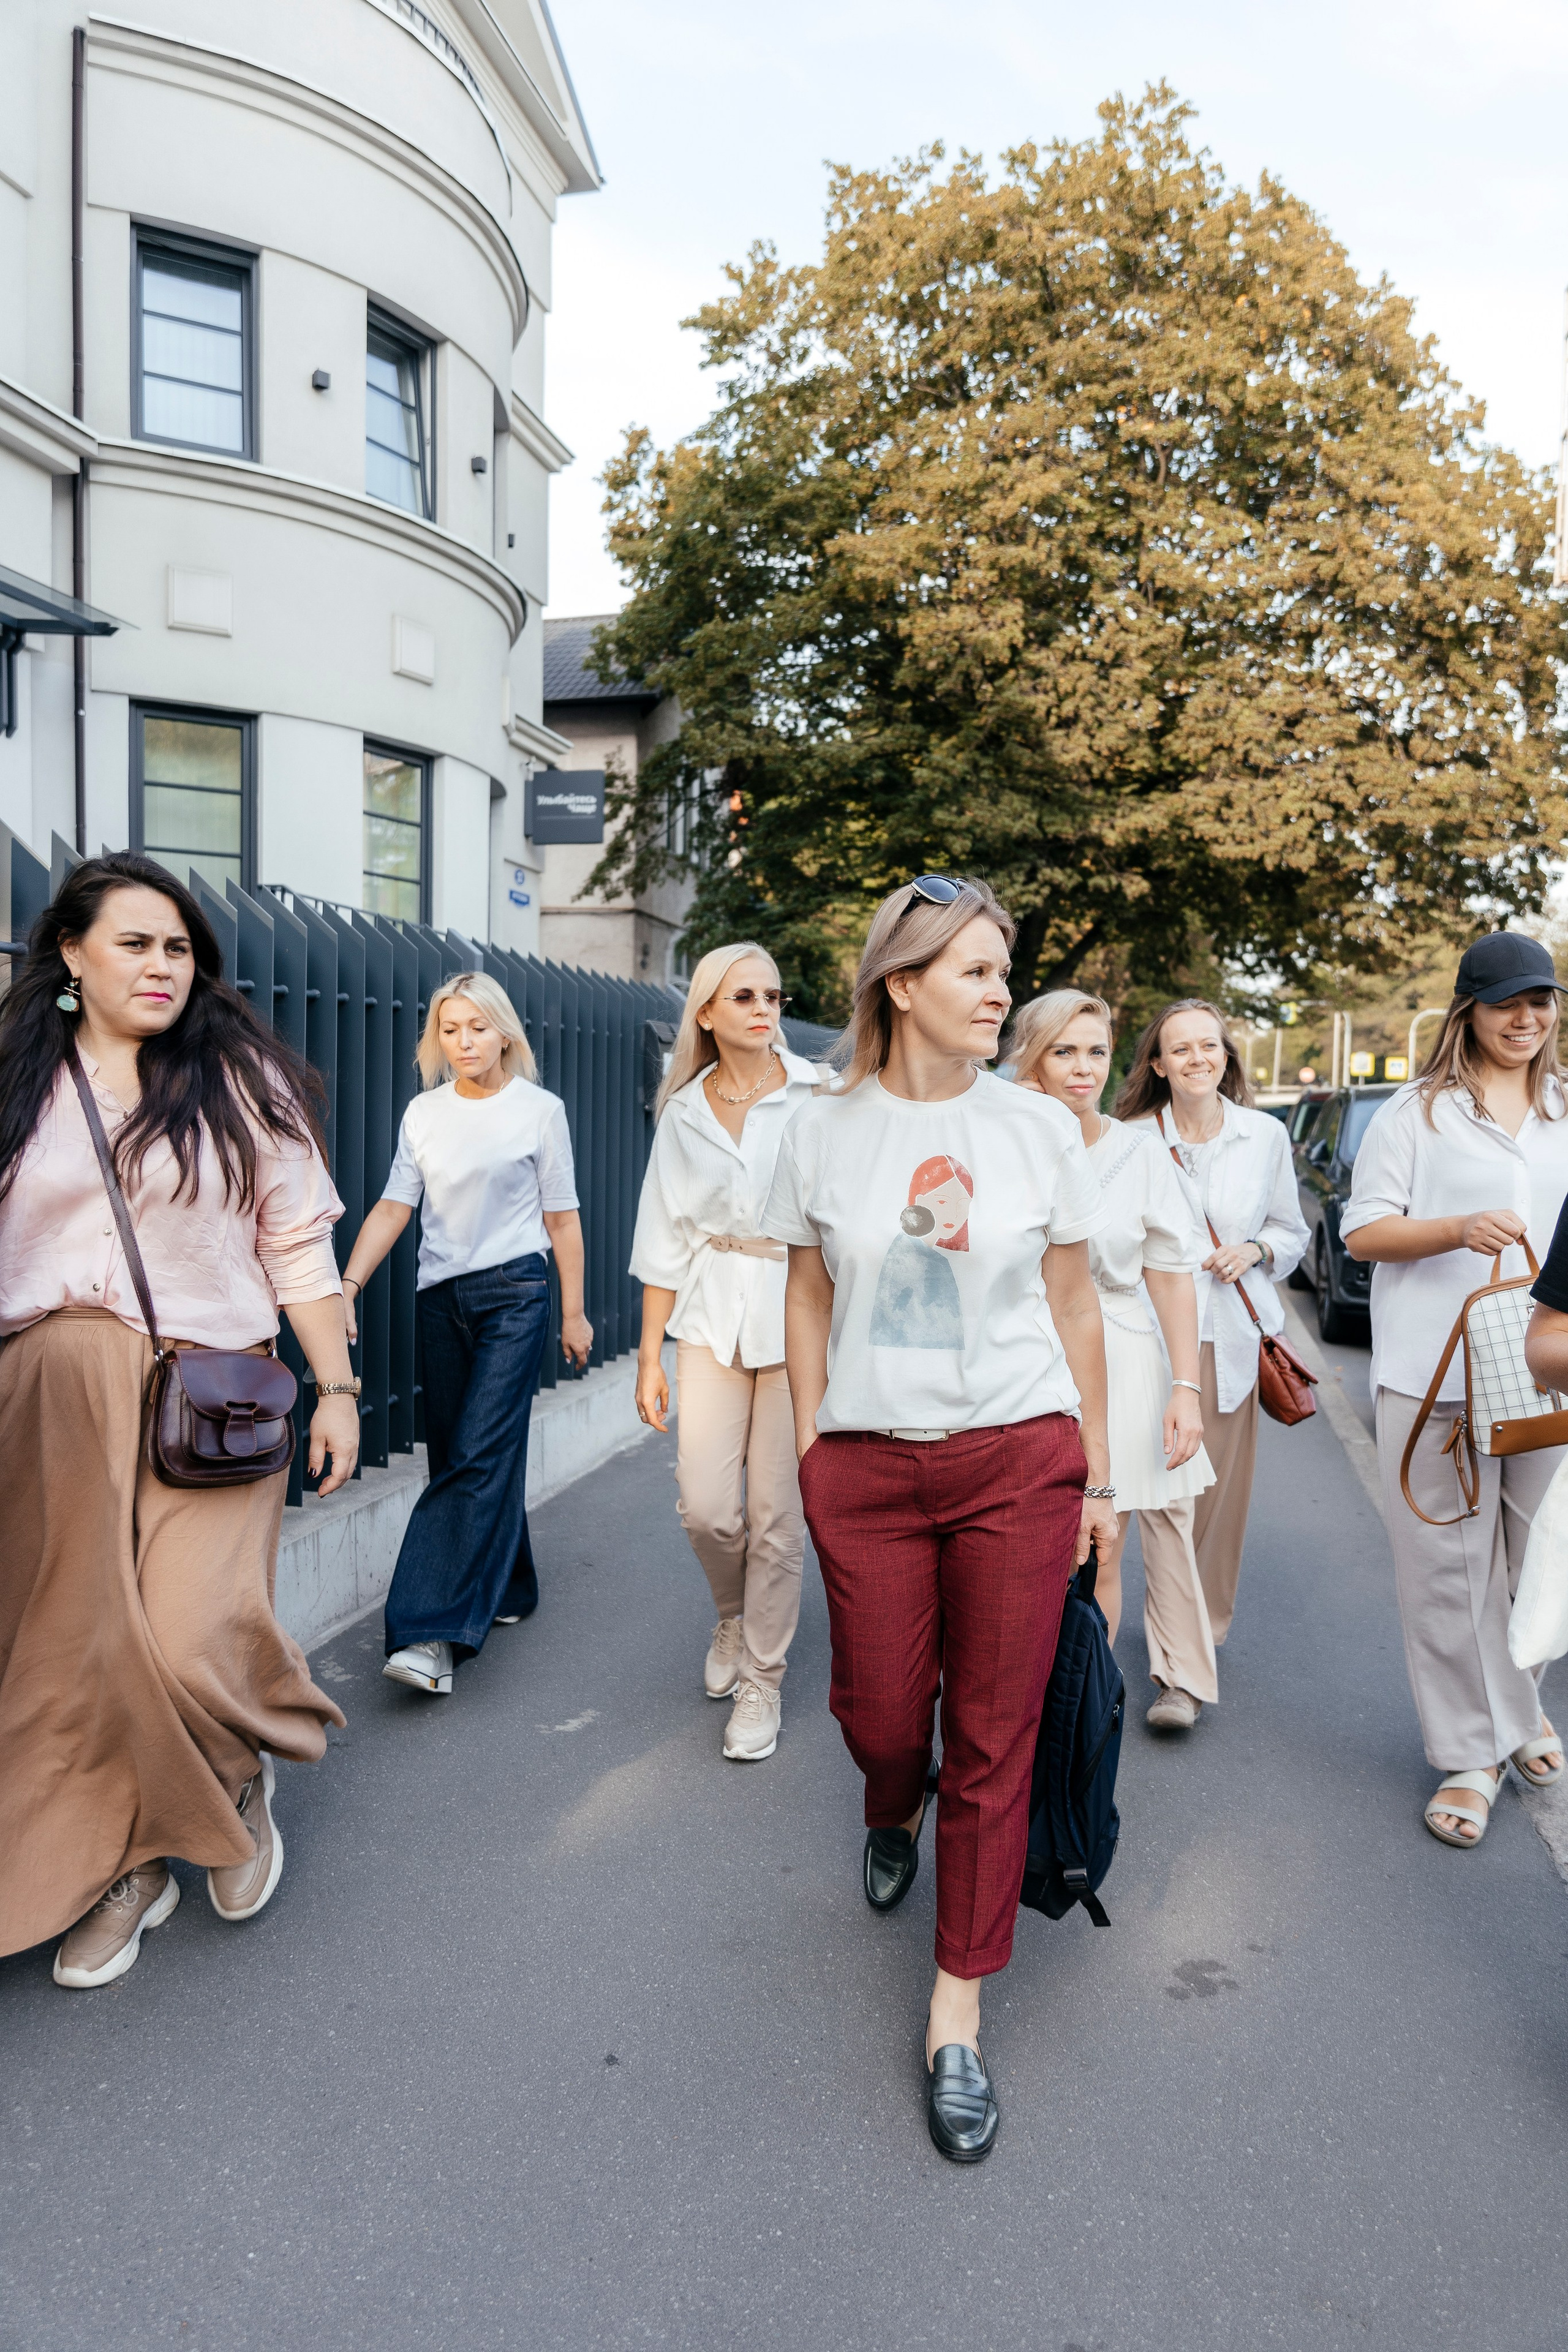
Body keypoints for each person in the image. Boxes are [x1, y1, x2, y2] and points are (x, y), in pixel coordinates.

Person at [763, 875, 1117, 2163]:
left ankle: (955, 2011)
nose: (999, 993)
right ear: (901, 984)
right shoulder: (817, 1128)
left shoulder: (1036, 1129)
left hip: (1017, 1458)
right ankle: (888, 1801)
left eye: (1003, 970)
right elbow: (807, 1293)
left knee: (993, 1735)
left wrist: (1101, 1483)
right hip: (864, 1467)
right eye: (974, 970)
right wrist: (814, 1446)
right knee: (876, 1713)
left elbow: (1074, 1306)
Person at [0, 854, 357, 1990]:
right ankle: (131, 1868)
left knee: (194, 1634)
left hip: (211, 1399)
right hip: (50, 1400)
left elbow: (296, 1247)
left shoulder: (239, 1079)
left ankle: (238, 1777)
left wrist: (338, 1389)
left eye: (178, 948)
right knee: (86, 1656)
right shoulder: (16, 1076)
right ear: (71, 953)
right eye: (135, 944)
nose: (162, 966)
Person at [1343, 932, 1568, 1847]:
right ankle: (1472, 1756)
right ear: (1468, 1012)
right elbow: (1362, 1232)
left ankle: (1516, 1710)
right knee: (1447, 1575)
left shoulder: (1565, 1106)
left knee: (1538, 1566)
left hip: (1546, 1375)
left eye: (1541, 1001)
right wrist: (1456, 1228)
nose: (1527, 1018)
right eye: (1507, 1003)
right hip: (1433, 1376)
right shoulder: (1415, 1113)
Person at [340, 973, 590, 1698]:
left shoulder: (539, 1111)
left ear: (504, 1033)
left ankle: (429, 1632)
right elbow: (394, 1206)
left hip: (515, 1294)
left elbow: (562, 1218)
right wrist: (346, 1286)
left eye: (477, 1028)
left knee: (477, 1451)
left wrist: (573, 1313)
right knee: (457, 1453)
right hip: (439, 1299)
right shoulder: (424, 1113)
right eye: (450, 1030)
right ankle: (510, 1585)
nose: (464, 1042)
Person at [630, 943, 827, 1762]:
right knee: (708, 1506)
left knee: (779, 1514)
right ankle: (734, 1615)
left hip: (799, 1313)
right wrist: (649, 1355)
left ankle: (763, 1680)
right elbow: (663, 1234)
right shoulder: (684, 1110)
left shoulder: (820, 1097)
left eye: (772, 996)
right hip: (711, 1314)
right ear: (707, 1012)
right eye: (743, 996)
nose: (763, 1009)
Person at [1011, 990, 1216, 1726]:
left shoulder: (1138, 1152)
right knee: (1019, 1549)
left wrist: (1185, 1386)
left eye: (1096, 1051)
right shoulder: (1002, 1139)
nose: (1082, 1067)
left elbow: (1171, 1272)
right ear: (1031, 1058)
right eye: (1063, 1051)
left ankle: (1078, 1714)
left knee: (1101, 1545)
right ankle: (1012, 1708)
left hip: (1121, 1356)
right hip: (1021, 1357)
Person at [1115, 1000, 1308, 1717]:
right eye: (1180, 1049)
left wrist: (1254, 1250)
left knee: (1211, 1507)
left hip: (1227, 1336)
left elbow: (1291, 1232)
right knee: (1141, 1496)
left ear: (1226, 1056)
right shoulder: (1129, 1139)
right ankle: (1110, 1646)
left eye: (1209, 1046)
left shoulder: (1264, 1136)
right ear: (1157, 1064)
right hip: (1144, 1334)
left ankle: (1190, 1654)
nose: (1197, 1059)